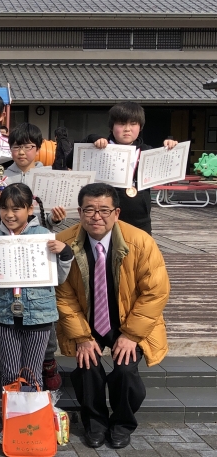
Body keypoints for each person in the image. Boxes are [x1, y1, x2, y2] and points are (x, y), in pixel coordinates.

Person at [56, 183, 170, 449]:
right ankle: (94, 423)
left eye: (104, 210)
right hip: (87, 320)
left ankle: (122, 423)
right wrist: (82, 337)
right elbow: (63, 294)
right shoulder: (64, 243)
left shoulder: (140, 242)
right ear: (79, 212)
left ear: (116, 213)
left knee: (126, 371)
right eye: (89, 210)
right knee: (87, 367)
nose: (97, 216)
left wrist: (131, 335)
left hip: (129, 321)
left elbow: (156, 291)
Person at [0, 184, 72, 391]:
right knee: (10, 373)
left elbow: (60, 278)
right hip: (5, 314)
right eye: (4, 208)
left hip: (39, 314)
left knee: (32, 373)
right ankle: (12, 410)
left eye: (16, 209)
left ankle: (33, 410)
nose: (9, 214)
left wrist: (65, 254)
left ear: (29, 209)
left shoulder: (43, 235)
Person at [0, 122, 68, 389]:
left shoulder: (48, 175)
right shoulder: (1, 177)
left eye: (27, 146)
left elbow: (49, 228)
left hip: (38, 258)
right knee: (11, 369)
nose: (21, 152)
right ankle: (15, 408)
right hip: (7, 264)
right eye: (16, 146)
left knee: (39, 352)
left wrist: (56, 222)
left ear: (38, 148)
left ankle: (45, 376)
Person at [64, 102, 178, 235]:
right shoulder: (99, 148)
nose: (127, 129)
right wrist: (89, 140)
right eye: (122, 124)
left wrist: (169, 149)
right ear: (111, 126)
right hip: (103, 219)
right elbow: (69, 162)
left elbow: (171, 168)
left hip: (140, 219)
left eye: (133, 124)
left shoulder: (148, 152)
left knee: (141, 248)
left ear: (140, 127)